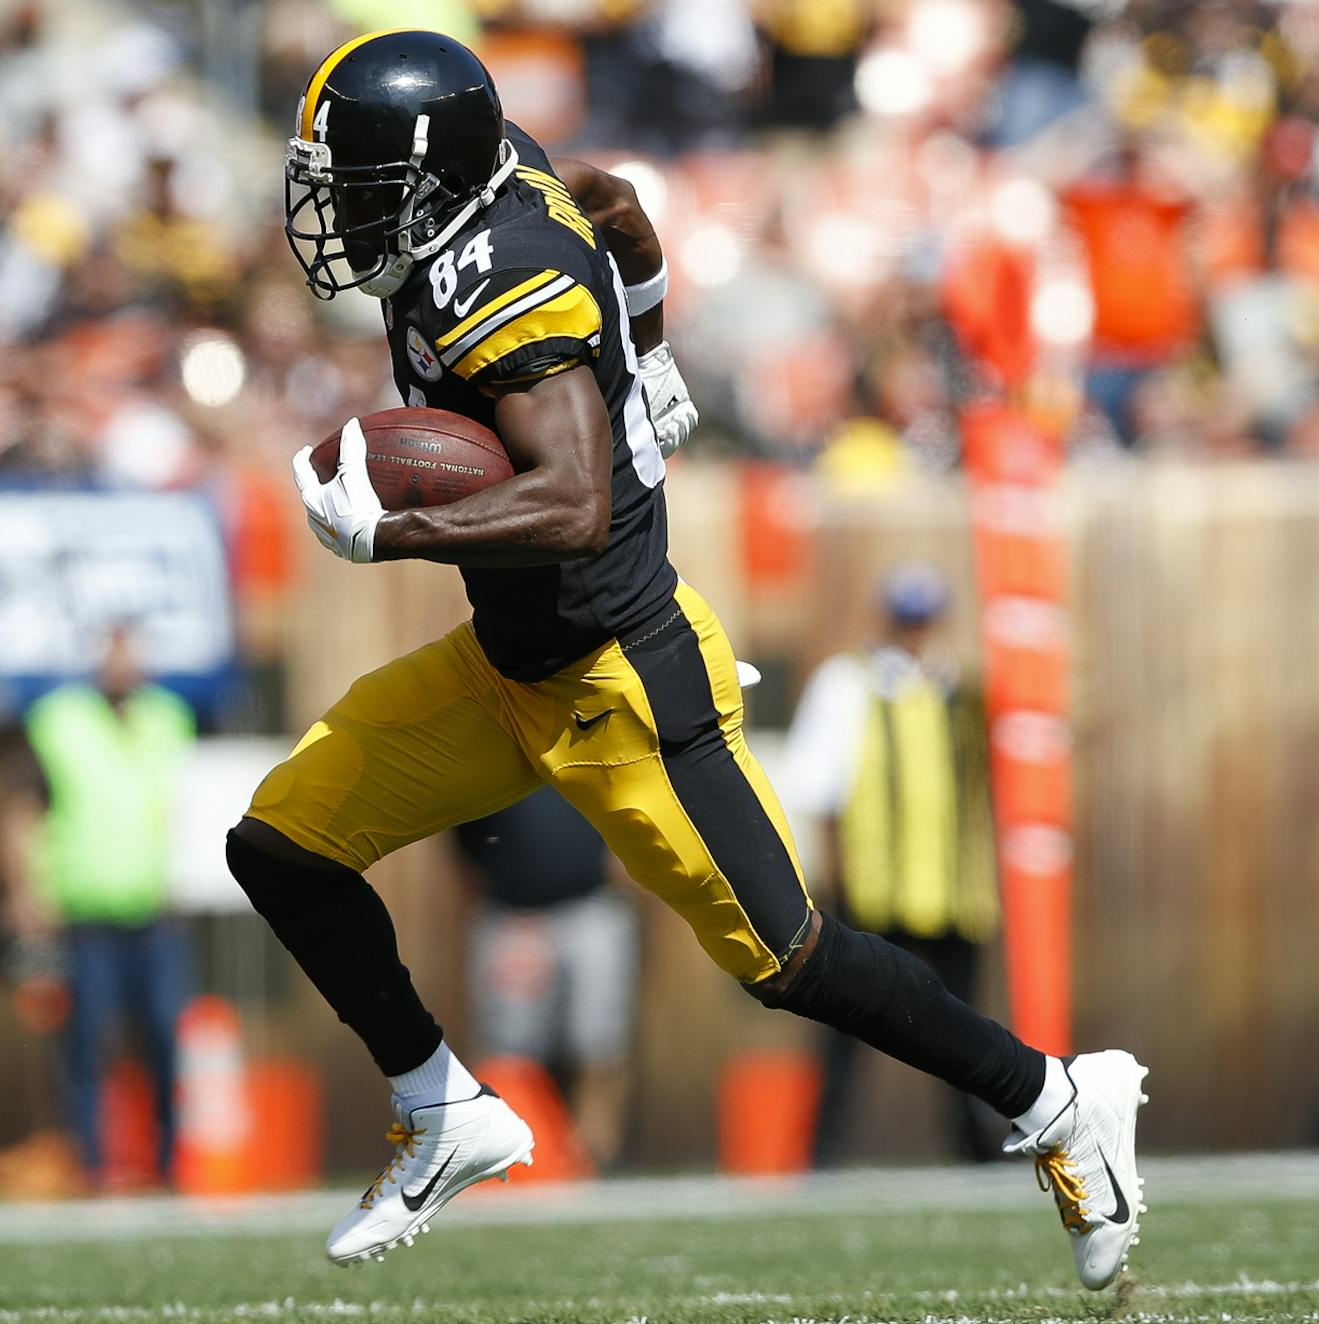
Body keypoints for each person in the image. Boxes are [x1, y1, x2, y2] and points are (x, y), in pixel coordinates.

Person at [230, 29, 1145, 1288]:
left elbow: (573, 504)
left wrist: (396, 530)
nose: (339, 213)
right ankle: (442, 1108)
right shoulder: (495, 175)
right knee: (280, 846)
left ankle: (1057, 1100)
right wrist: (649, 341)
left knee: (793, 958)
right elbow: (615, 200)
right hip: (510, 666)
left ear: (434, 179)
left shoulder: (505, 283)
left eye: (366, 185)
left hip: (622, 680)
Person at [780, 565, 1005, 1166]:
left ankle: (976, 1147)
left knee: (965, 1026)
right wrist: (832, 878)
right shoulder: (848, 684)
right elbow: (818, 788)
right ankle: (823, 1151)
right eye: (907, 621)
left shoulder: (965, 691)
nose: (914, 634)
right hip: (874, 889)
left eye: (922, 621)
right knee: (847, 1025)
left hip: (954, 889)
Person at [20, 627, 195, 1184]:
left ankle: (169, 1164)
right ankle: (92, 1165)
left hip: (154, 909)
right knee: (87, 1042)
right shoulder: (60, 722)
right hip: (85, 911)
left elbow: (177, 805)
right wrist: (30, 891)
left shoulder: (168, 719)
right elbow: (24, 809)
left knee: (166, 1035)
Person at [453, 789, 635, 1169]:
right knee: (507, 1051)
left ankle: (594, 1153)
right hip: (514, 917)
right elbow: (465, 844)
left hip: (590, 907)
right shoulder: (488, 764)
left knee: (599, 1040)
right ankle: (512, 1157)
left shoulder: (587, 758)